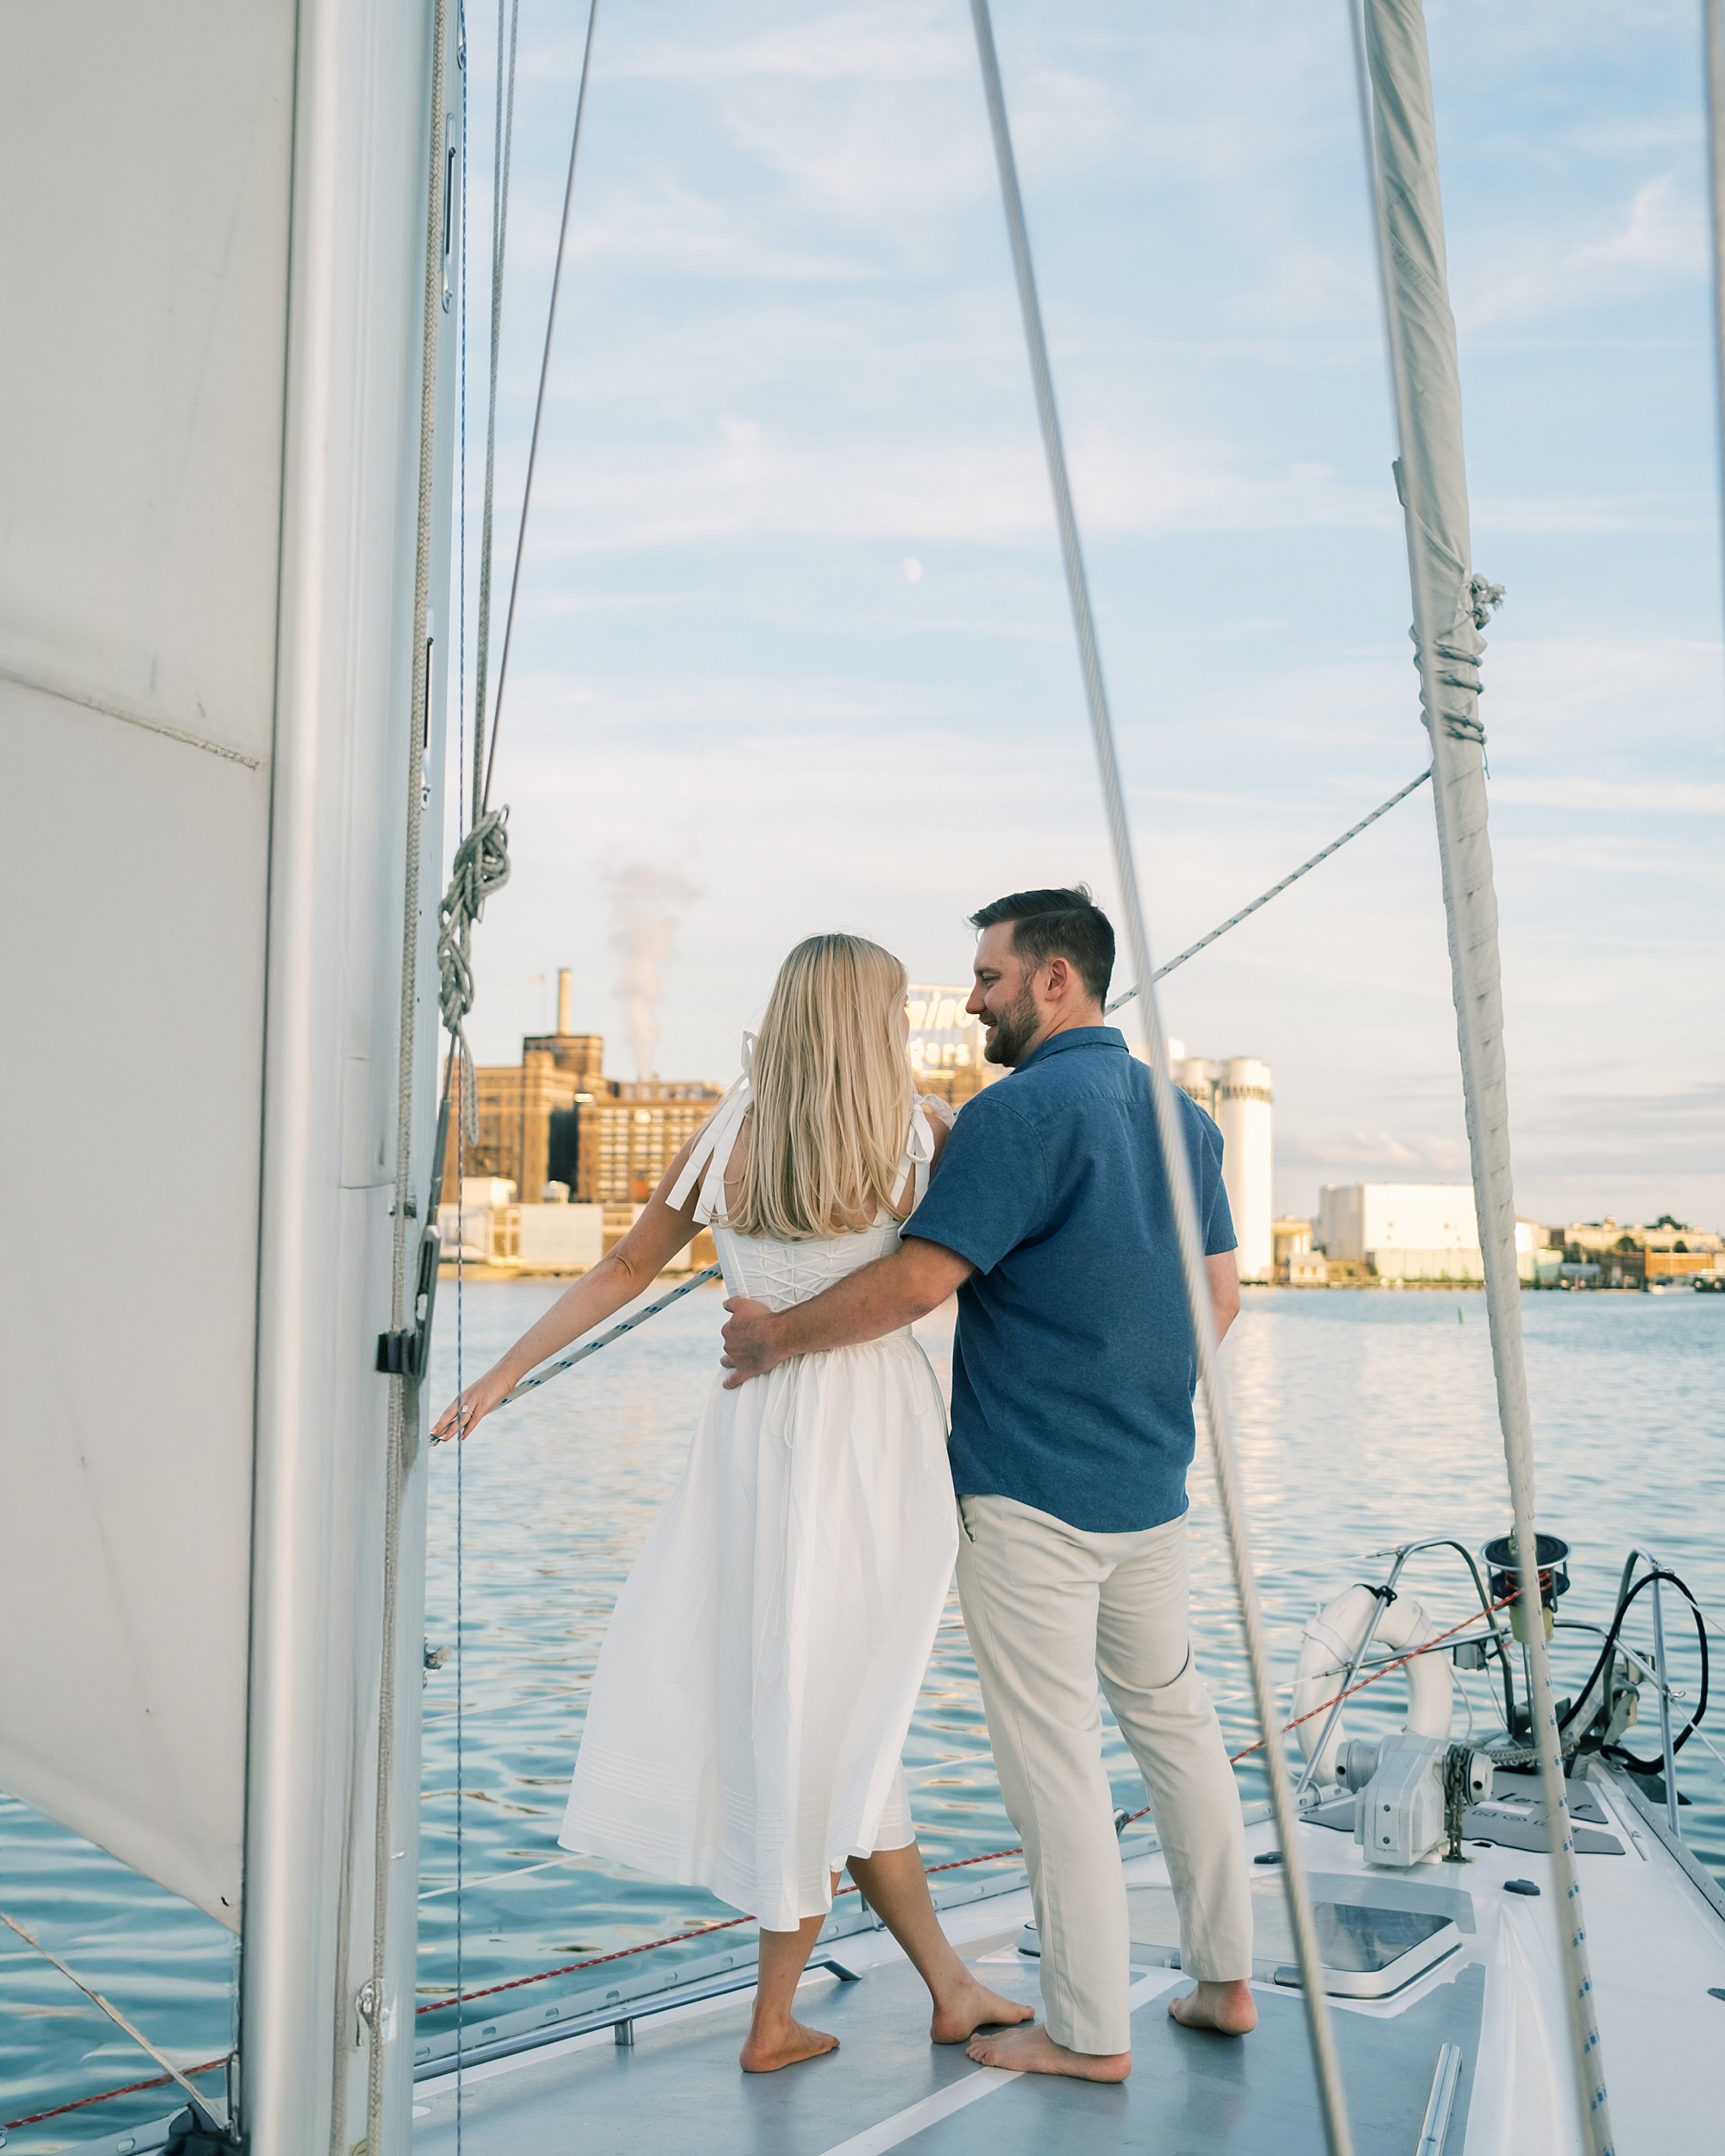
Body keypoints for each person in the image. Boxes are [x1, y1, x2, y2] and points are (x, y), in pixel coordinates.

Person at [432, 933, 1032, 2074]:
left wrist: (502, 1376)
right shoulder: (926, 1136)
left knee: (830, 1719)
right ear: (877, 1020)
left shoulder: (732, 1131)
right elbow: (975, 1288)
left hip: (758, 1445)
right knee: (824, 1720)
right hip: (880, 1456)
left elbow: (620, 1269)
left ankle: (948, 1986)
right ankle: (774, 2019)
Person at [721, 887, 1254, 2084]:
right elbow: (1220, 1301)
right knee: (1178, 1729)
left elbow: (916, 1284)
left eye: (989, 978)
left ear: (1056, 978)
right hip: (1153, 1492)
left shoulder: (1014, 1115)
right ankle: (1224, 1983)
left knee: (1055, 1758)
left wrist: (773, 1341)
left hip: (1028, 1497)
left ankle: (1084, 2029)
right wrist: (1135, 1397)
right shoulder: (1186, 1118)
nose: (971, 1002)